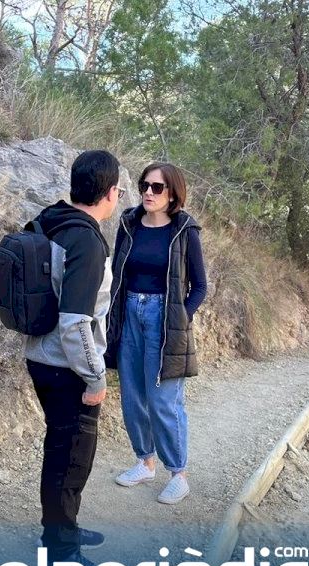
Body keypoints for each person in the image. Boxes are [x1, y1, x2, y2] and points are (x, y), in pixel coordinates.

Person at [24, 149, 123, 566]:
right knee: (72, 457)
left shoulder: (51, 219)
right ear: (111, 192)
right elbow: (75, 322)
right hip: (68, 368)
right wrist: (95, 377)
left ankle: (62, 529)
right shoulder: (86, 240)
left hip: (39, 355)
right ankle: (61, 550)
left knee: (61, 449)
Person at [104, 162, 207, 505]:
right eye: (144, 185)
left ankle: (178, 474)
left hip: (164, 319)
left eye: (157, 187)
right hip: (129, 314)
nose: (148, 192)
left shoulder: (185, 230)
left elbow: (200, 287)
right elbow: (117, 274)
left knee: (163, 400)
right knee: (133, 395)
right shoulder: (129, 224)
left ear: (173, 194)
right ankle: (145, 462)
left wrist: (180, 317)